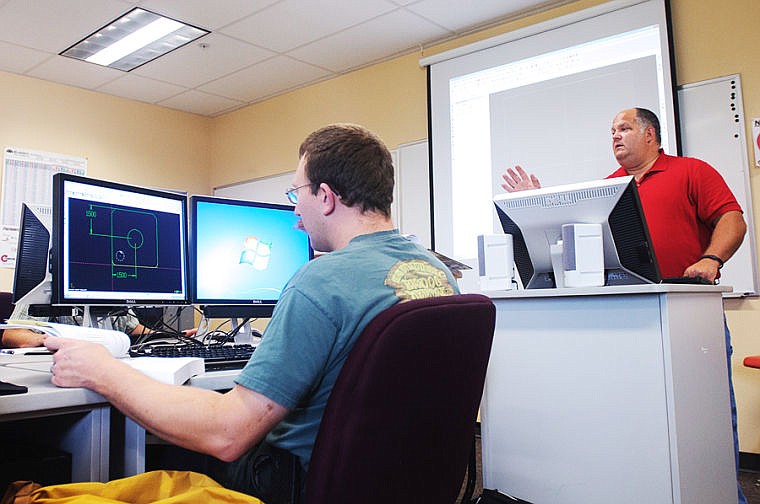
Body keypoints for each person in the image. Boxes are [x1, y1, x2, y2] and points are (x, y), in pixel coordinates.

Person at [43, 123, 460, 504]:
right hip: (394, 482)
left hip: (296, 484)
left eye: (298, 194)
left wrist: (102, 370)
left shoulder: (322, 279)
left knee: (162, 450)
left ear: (327, 197)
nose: (295, 214)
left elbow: (227, 434)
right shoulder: (437, 271)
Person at [501, 107, 748, 503]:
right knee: (639, 421)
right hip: (625, 317)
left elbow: (732, 220)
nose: (615, 136)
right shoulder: (607, 187)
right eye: (611, 130)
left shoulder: (691, 171)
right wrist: (536, 202)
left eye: (624, 128)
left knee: (708, 418)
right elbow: (577, 247)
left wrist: (711, 258)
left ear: (650, 134)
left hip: (687, 312)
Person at [1, 303, 155, 348]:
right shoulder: (45, 287)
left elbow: (135, 329)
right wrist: (46, 339)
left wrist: (166, 336)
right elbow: (12, 335)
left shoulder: (114, 292)